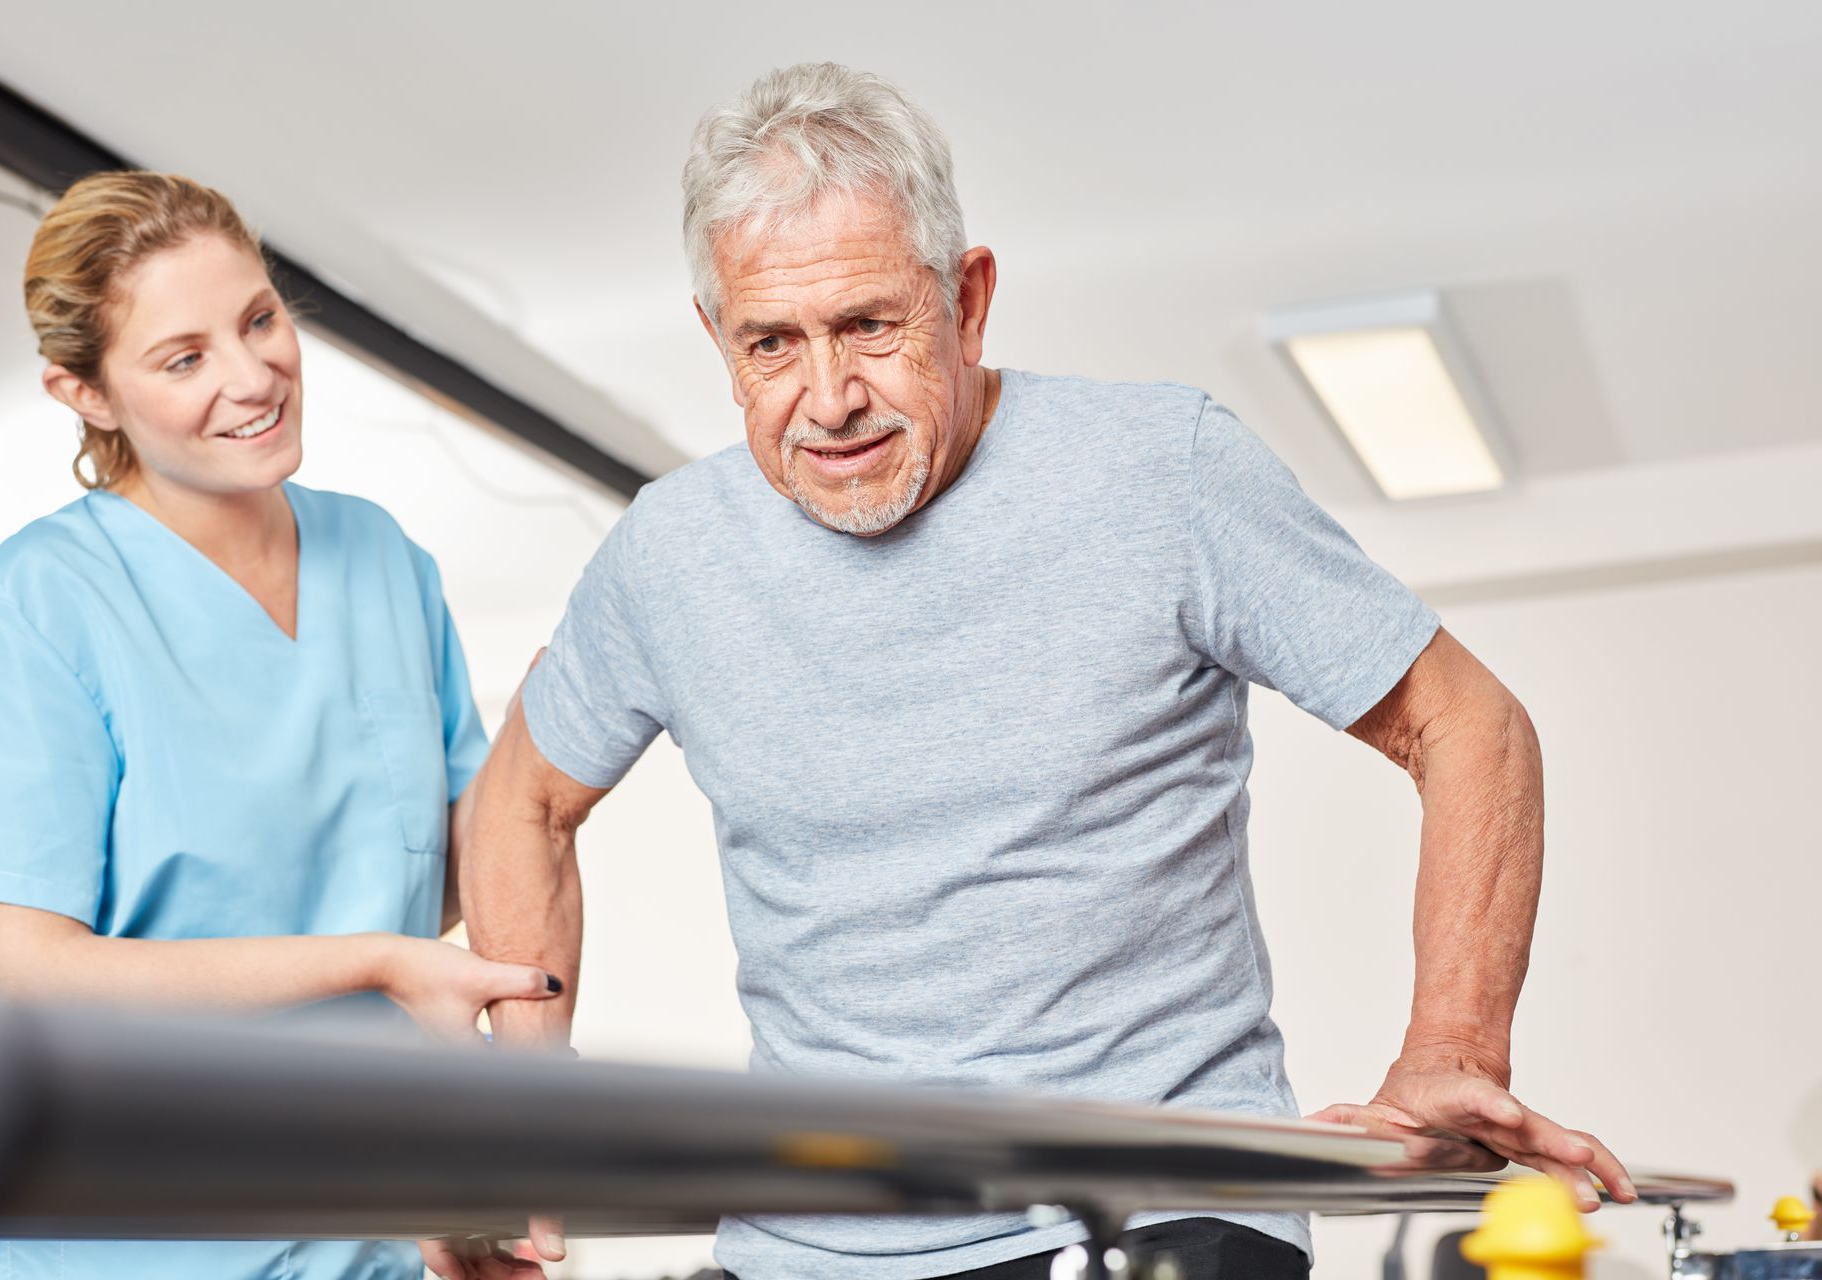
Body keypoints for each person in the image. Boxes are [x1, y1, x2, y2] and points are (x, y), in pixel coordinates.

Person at [446, 63, 1634, 1280]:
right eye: (772, 344)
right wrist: (531, 1095)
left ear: (967, 302)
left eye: (868, 324)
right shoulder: (670, 553)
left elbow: (1468, 720)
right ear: (718, 339)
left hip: (1160, 1207)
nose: (830, 397)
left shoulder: (1159, 472)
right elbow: (522, 797)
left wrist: (1453, 1042)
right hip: (809, 1241)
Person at [0, 171, 559, 1280]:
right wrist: (376, 960)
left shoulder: (385, 561)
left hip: (362, 1228)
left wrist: (554, 750)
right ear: (87, 394)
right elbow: (29, 972)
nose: (256, 376)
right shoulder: (44, 601)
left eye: (259, 319)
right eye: (184, 356)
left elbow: (440, 872)